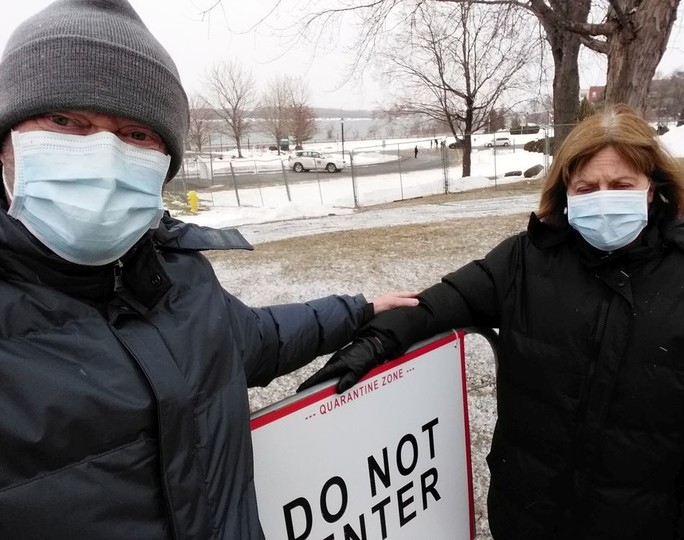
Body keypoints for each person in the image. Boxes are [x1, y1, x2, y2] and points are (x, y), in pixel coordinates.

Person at [0, 1, 418, 539]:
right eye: (64, 121)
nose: (102, 153)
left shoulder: (179, 278)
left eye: (136, 133)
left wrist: (358, 309)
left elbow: (252, 340)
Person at [300, 104, 684, 539]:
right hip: (528, 514)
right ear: (566, 193)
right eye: (587, 187)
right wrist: (376, 340)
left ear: (651, 188)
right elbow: (442, 302)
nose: (603, 199)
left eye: (620, 185)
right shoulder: (525, 260)